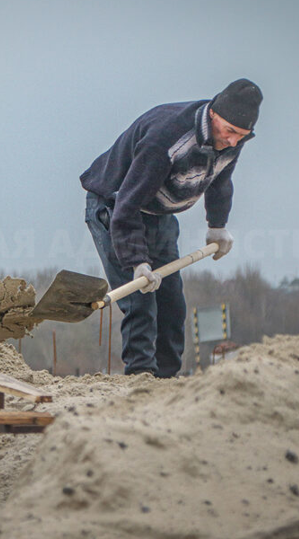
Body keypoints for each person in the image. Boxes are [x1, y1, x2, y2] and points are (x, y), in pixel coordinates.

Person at [79, 78, 262, 378]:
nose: (233, 142)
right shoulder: (165, 139)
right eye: (230, 132)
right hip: (114, 206)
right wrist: (137, 262)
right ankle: (141, 378)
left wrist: (217, 225)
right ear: (214, 114)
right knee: (140, 299)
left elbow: (220, 182)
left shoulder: (232, 140)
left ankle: (166, 381)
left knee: (171, 302)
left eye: (242, 136)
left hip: (158, 213)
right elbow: (126, 205)